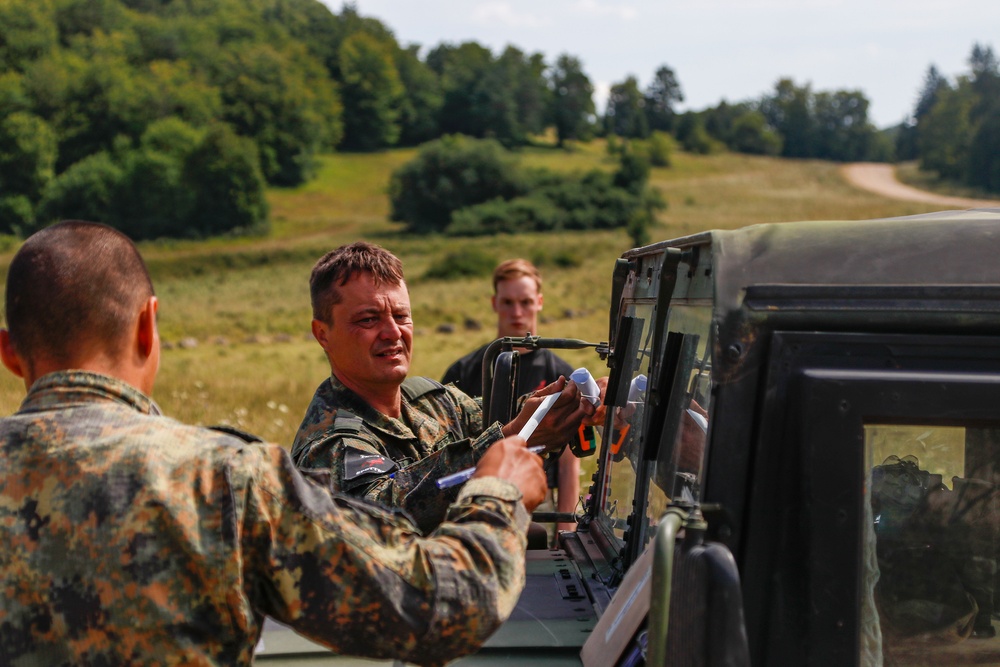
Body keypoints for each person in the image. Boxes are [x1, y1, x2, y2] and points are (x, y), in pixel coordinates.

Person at [0, 221, 548, 666]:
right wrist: (497, 494)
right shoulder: (226, 479)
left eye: (400, 316)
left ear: (10, 353)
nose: (392, 331)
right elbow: (440, 607)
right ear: (149, 326)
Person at [291, 242, 594, 535]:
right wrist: (510, 440)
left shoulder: (432, 402)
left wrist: (581, 398)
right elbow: (381, 512)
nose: (393, 332)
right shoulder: (329, 442)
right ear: (323, 334)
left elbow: (503, 416)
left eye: (400, 316)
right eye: (368, 319)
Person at [442, 259, 581, 533]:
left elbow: (568, 465)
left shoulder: (562, 374)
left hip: (538, 502)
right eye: (508, 302)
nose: (517, 312)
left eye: (526, 302)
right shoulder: (465, 371)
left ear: (539, 302)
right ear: (495, 303)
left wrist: (566, 530)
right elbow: (447, 451)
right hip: (474, 497)